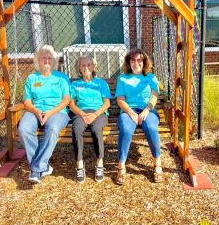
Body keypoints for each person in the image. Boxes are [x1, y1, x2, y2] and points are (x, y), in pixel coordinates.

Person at [18, 45, 70, 183]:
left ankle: (36, 169)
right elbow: (27, 102)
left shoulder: (62, 77)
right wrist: (36, 110)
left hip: (58, 111)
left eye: (49, 58)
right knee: (23, 129)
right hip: (36, 110)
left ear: (53, 61)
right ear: (38, 61)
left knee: (52, 129)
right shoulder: (32, 78)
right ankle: (43, 166)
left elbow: (66, 99)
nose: (47, 60)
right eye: (43, 58)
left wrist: (50, 113)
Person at [115, 49, 163, 185]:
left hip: (147, 110)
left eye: (139, 60)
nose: (136, 63)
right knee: (125, 128)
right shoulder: (123, 78)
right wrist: (131, 113)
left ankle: (157, 163)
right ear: (129, 62)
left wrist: (146, 111)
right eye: (132, 60)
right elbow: (120, 99)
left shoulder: (150, 77)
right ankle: (121, 166)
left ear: (144, 61)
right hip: (128, 111)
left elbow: (154, 96)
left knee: (151, 127)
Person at [69, 55, 111, 183]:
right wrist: (82, 114)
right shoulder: (75, 84)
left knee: (96, 128)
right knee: (77, 129)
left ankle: (99, 162)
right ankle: (80, 165)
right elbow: (71, 104)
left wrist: (95, 114)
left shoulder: (101, 83)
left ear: (94, 67)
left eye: (89, 65)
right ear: (79, 69)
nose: (86, 67)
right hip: (80, 113)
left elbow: (107, 103)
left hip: (99, 113)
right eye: (83, 65)